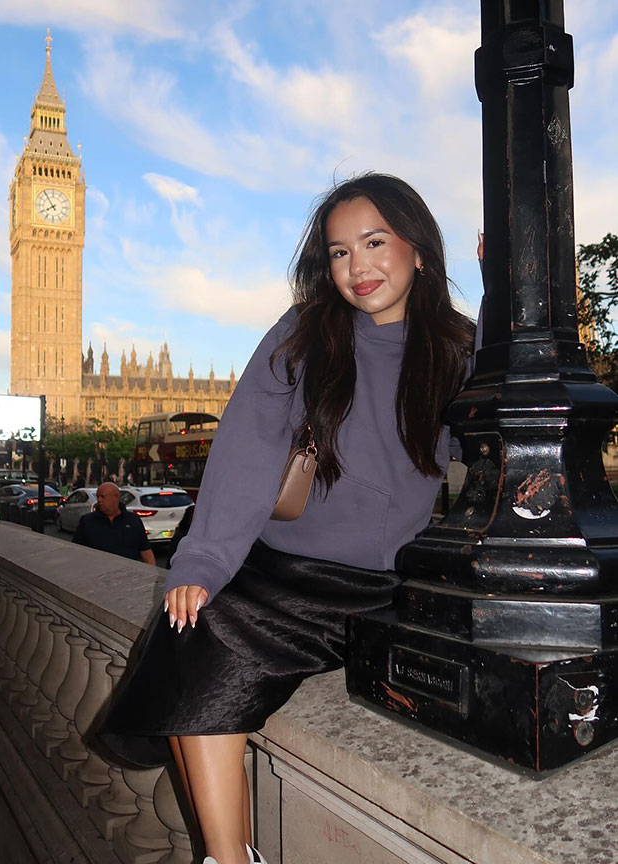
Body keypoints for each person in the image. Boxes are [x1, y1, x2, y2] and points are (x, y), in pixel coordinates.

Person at [99, 174, 476, 864]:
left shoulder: (460, 350)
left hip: (385, 590)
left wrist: (511, 301)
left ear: (418, 249)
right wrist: (206, 562)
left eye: (373, 242)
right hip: (285, 575)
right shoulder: (306, 335)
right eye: (338, 252)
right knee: (195, 629)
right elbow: (246, 449)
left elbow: (508, 445)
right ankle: (229, 858)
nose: (356, 267)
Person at [72, 482, 156, 565]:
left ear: (116, 497)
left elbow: (145, 550)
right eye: (98, 497)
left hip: (127, 574)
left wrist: (152, 573)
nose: (99, 500)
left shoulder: (133, 520)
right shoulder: (87, 521)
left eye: (103, 497)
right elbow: (76, 551)